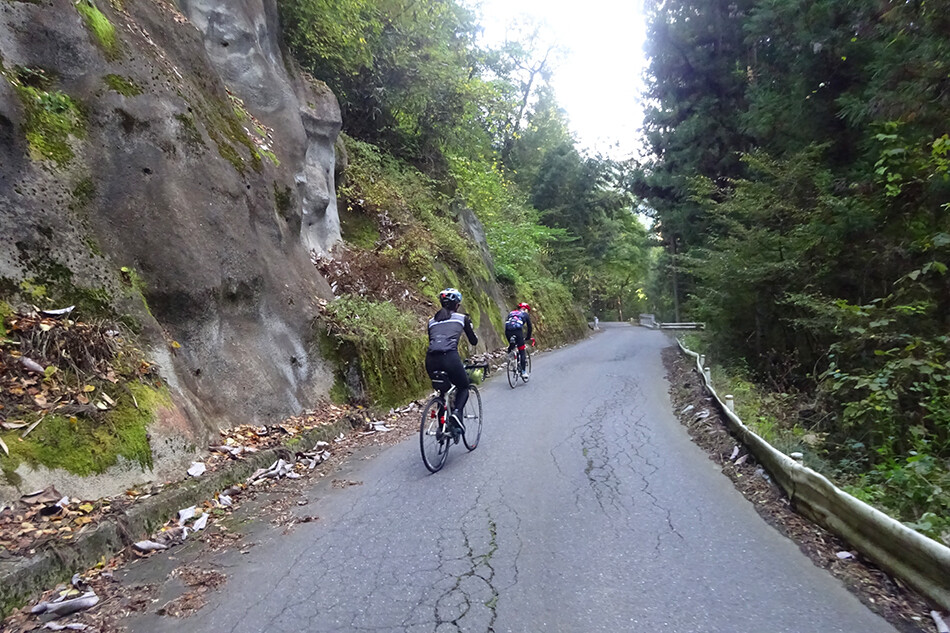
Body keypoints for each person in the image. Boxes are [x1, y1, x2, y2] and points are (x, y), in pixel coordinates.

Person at [426, 288, 478, 442]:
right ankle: (456, 414)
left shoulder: (431, 321)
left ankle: (442, 430)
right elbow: (474, 341)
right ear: (457, 305)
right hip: (450, 357)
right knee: (463, 387)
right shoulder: (462, 318)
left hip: (430, 360)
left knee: (444, 392)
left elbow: (434, 341)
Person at [505, 302, 534, 378]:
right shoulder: (525, 314)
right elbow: (529, 328)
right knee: (522, 350)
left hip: (507, 331)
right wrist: (528, 337)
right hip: (517, 331)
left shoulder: (511, 313)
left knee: (512, 345)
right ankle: (524, 372)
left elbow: (507, 323)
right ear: (526, 310)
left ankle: (511, 359)